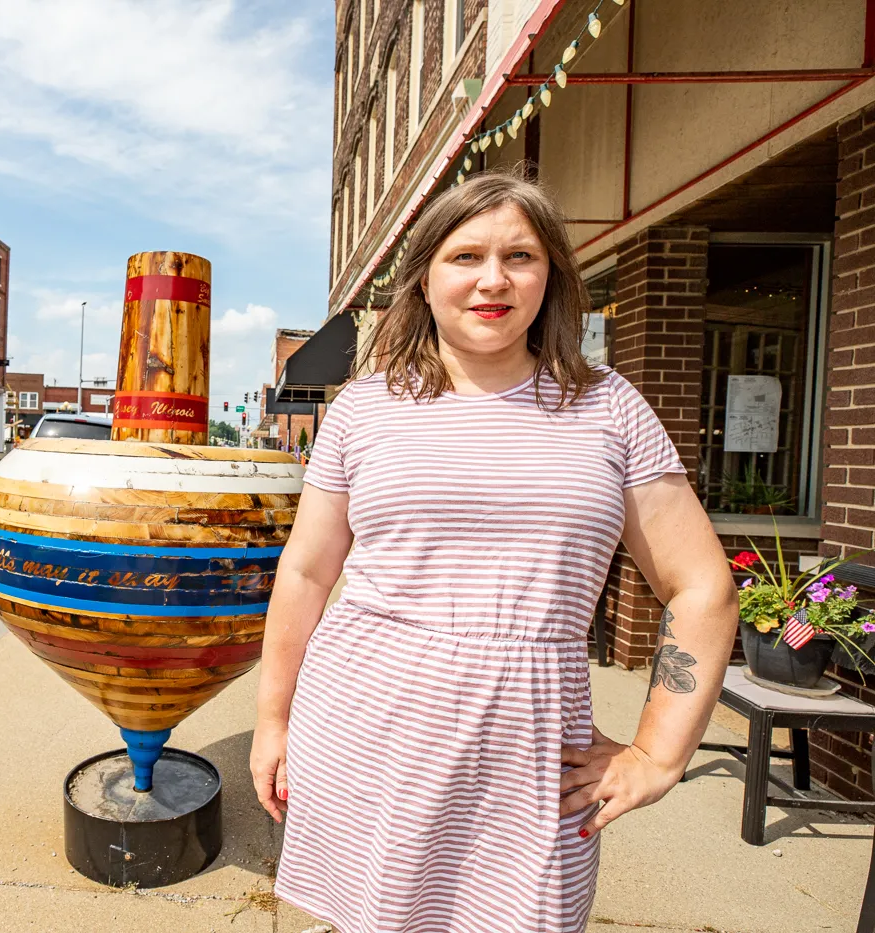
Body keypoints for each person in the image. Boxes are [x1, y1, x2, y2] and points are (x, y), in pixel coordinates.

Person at [250, 169, 738, 933]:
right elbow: (308, 572)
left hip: (528, 751)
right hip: (363, 731)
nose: (493, 279)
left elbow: (702, 586)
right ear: (424, 278)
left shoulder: (607, 408)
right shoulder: (363, 410)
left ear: (552, 277)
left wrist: (659, 752)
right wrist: (273, 721)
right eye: (465, 255)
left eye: (520, 256)